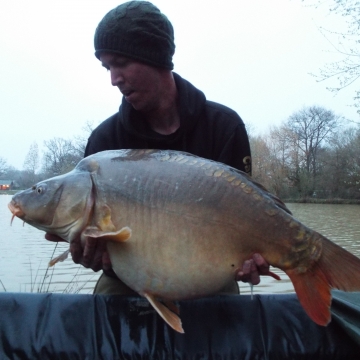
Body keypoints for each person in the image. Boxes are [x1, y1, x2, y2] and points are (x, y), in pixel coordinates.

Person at [47, 0, 274, 294]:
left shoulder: (224, 127)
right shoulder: (104, 144)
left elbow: (245, 217)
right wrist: (90, 256)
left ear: (155, 57)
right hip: (126, 283)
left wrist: (248, 262)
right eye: (107, 67)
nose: (114, 79)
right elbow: (95, 248)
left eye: (121, 63)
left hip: (209, 280)